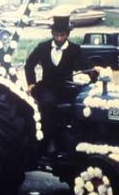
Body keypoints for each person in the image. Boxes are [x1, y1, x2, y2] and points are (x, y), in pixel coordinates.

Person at [25, 15, 98, 149]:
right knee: (48, 104)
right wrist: (31, 83)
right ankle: (48, 140)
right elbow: (29, 64)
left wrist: (94, 74)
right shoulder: (43, 47)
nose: (59, 38)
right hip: (46, 87)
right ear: (52, 33)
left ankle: (75, 139)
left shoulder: (75, 49)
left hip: (66, 88)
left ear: (67, 34)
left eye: (62, 35)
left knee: (79, 105)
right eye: (56, 35)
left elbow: (86, 66)